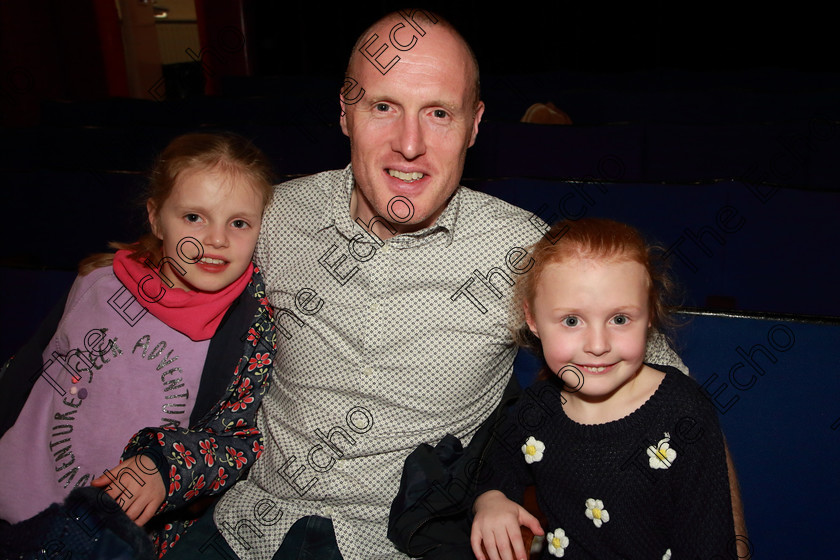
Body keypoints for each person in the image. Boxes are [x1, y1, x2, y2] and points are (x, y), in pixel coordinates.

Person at [163, 11, 695, 560]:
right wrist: (124, 263)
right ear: (346, 112)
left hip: (401, 543)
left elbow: (670, 395)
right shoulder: (276, 216)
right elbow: (179, 268)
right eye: (383, 107)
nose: (409, 145)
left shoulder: (520, 253)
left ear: (474, 125)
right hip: (245, 529)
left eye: (438, 112)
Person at [0, 132, 278, 556]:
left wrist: (165, 468)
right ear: (155, 217)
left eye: (238, 223)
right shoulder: (97, 281)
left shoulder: (248, 327)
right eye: (193, 217)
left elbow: (238, 442)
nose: (216, 239)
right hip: (12, 497)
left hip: (113, 535)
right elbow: (25, 372)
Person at [470, 218, 736, 560]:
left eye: (620, 319)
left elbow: (710, 541)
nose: (597, 345)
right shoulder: (536, 409)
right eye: (571, 321)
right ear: (533, 319)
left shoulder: (683, 411)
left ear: (650, 314)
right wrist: (490, 500)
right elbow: (495, 468)